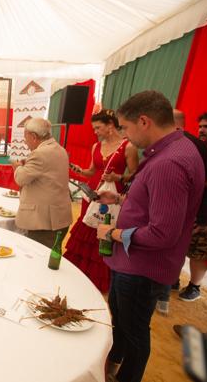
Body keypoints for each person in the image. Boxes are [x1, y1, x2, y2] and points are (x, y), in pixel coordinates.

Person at [96, 91, 205, 382]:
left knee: (134, 332)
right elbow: (156, 206)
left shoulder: (169, 163)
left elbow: (163, 232)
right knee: (122, 321)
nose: (126, 137)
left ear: (144, 121)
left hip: (142, 267)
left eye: (127, 128)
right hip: (135, 263)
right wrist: (120, 201)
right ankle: (114, 360)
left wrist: (114, 232)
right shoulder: (175, 149)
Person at [64, 109, 138, 292]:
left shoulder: (129, 147)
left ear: (110, 125)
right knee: (87, 230)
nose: (95, 132)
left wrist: (118, 177)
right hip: (92, 195)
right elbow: (91, 171)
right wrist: (78, 169)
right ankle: (80, 274)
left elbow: (136, 175)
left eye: (98, 128)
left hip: (112, 198)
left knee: (105, 234)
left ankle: (98, 279)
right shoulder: (96, 146)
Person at [155, 109, 207, 315]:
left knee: (163, 251)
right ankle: (168, 290)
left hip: (172, 206)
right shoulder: (199, 146)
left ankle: (162, 295)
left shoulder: (174, 147)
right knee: (174, 251)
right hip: (188, 209)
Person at [177, 111, 207, 302]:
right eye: (200, 126)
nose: (201, 130)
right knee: (181, 245)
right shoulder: (200, 147)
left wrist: (202, 182)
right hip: (192, 209)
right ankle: (174, 279)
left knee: (200, 252)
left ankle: (194, 287)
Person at [11, 117, 72, 248]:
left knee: (38, 261)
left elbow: (21, 179)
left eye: (25, 137)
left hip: (44, 223)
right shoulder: (59, 149)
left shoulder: (40, 154)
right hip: (58, 217)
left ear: (33, 136)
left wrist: (18, 167)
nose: (25, 142)